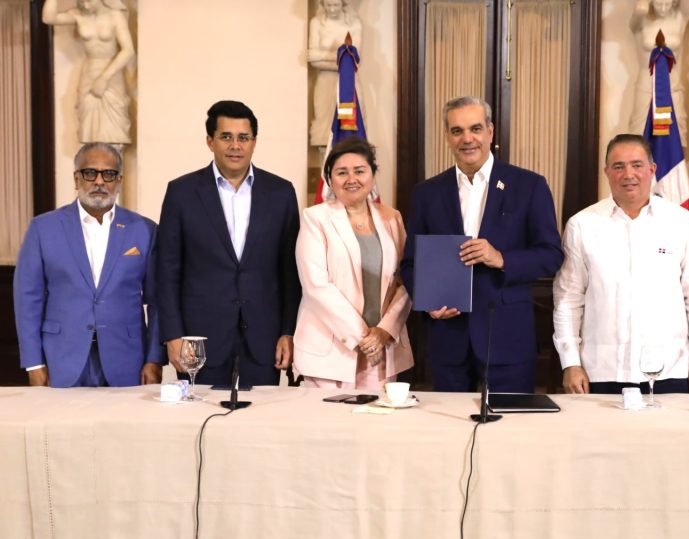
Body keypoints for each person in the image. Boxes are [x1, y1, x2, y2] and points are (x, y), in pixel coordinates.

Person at [401, 96, 563, 393]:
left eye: (475, 128)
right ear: (447, 136)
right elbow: (411, 263)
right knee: (448, 422)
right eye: (457, 131)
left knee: (510, 422)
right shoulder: (427, 193)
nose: (467, 139)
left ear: (490, 131)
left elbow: (551, 255)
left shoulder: (529, 185)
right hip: (449, 339)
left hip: (507, 336)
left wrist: (501, 258)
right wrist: (428, 303)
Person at [157, 100, 301, 387]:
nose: (235, 145)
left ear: (254, 142)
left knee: (263, 415)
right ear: (210, 141)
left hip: (264, 339)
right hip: (199, 341)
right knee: (200, 414)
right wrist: (172, 336)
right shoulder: (182, 192)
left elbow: (290, 271)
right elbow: (167, 270)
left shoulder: (281, 192)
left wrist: (289, 331)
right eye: (226, 137)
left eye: (243, 137)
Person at [554, 134, 689, 394]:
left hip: (671, 370)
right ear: (607, 172)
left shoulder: (682, 222)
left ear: (652, 169)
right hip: (600, 372)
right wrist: (570, 362)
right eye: (618, 166)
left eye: (637, 165)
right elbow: (568, 299)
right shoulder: (582, 225)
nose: (628, 174)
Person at [14, 143, 163, 387]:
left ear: (119, 180)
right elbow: (27, 299)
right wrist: (33, 363)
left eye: (109, 174)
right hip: (60, 359)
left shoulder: (145, 230)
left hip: (127, 361)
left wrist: (154, 359)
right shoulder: (43, 228)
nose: (99, 181)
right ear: (76, 178)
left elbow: (158, 301)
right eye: (90, 173)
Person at [293, 138, 413, 388]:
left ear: (373, 176)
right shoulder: (315, 218)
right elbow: (316, 286)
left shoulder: (392, 218)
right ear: (330, 179)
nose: (351, 179)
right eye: (341, 172)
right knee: (327, 415)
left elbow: (406, 279)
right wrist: (363, 337)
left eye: (359, 171)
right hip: (331, 350)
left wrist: (385, 330)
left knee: (377, 413)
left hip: (382, 349)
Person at [42, 0, 134, 146]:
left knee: (115, 127)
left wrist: (104, 78)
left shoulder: (115, 16)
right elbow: (48, 18)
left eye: (88, 0)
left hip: (111, 73)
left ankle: (112, 157)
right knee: (88, 128)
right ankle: (90, 157)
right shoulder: (78, 15)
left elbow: (128, 50)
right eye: (81, 0)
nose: (85, 5)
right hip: (89, 72)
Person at [629, 0, 689, 135]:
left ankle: (676, 150)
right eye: (659, 4)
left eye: (667, 4)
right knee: (639, 124)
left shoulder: (680, 18)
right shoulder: (642, 17)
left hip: (672, 81)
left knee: (678, 122)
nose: (663, 9)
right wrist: (644, 5)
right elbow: (640, 9)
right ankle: (638, 150)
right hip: (646, 80)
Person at [307, 0, 363, 150]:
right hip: (325, 81)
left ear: (343, 3)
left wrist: (321, 56)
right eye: (328, 5)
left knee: (347, 129)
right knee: (323, 131)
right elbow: (313, 60)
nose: (331, 9)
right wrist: (341, 56)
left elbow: (354, 60)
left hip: (348, 83)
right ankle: (325, 163)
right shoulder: (316, 23)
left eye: (335, 5)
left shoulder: (354, 24)